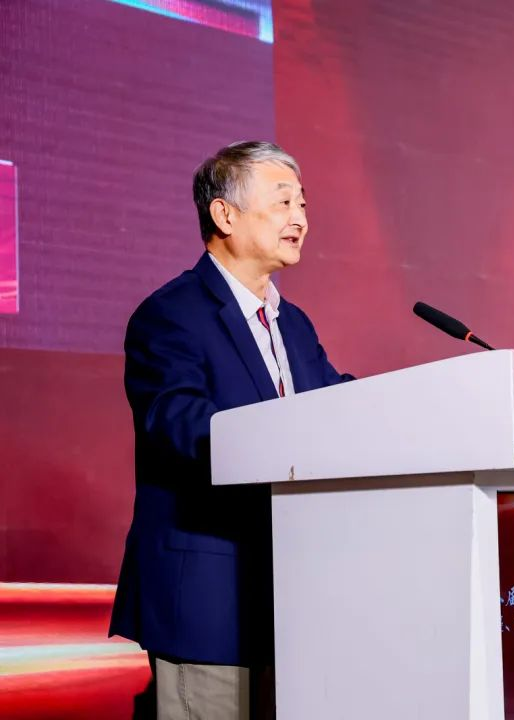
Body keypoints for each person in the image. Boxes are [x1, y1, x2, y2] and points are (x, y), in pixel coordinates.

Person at [109, 141, 353, 719]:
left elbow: (333, 405)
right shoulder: (170, 314)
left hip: (292, 599)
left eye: (303, 204)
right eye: (283, 201)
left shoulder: (293, 323)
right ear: (224, 214)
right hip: (208, 599)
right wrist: (282, 436)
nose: (300, 218)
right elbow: (179, 423)